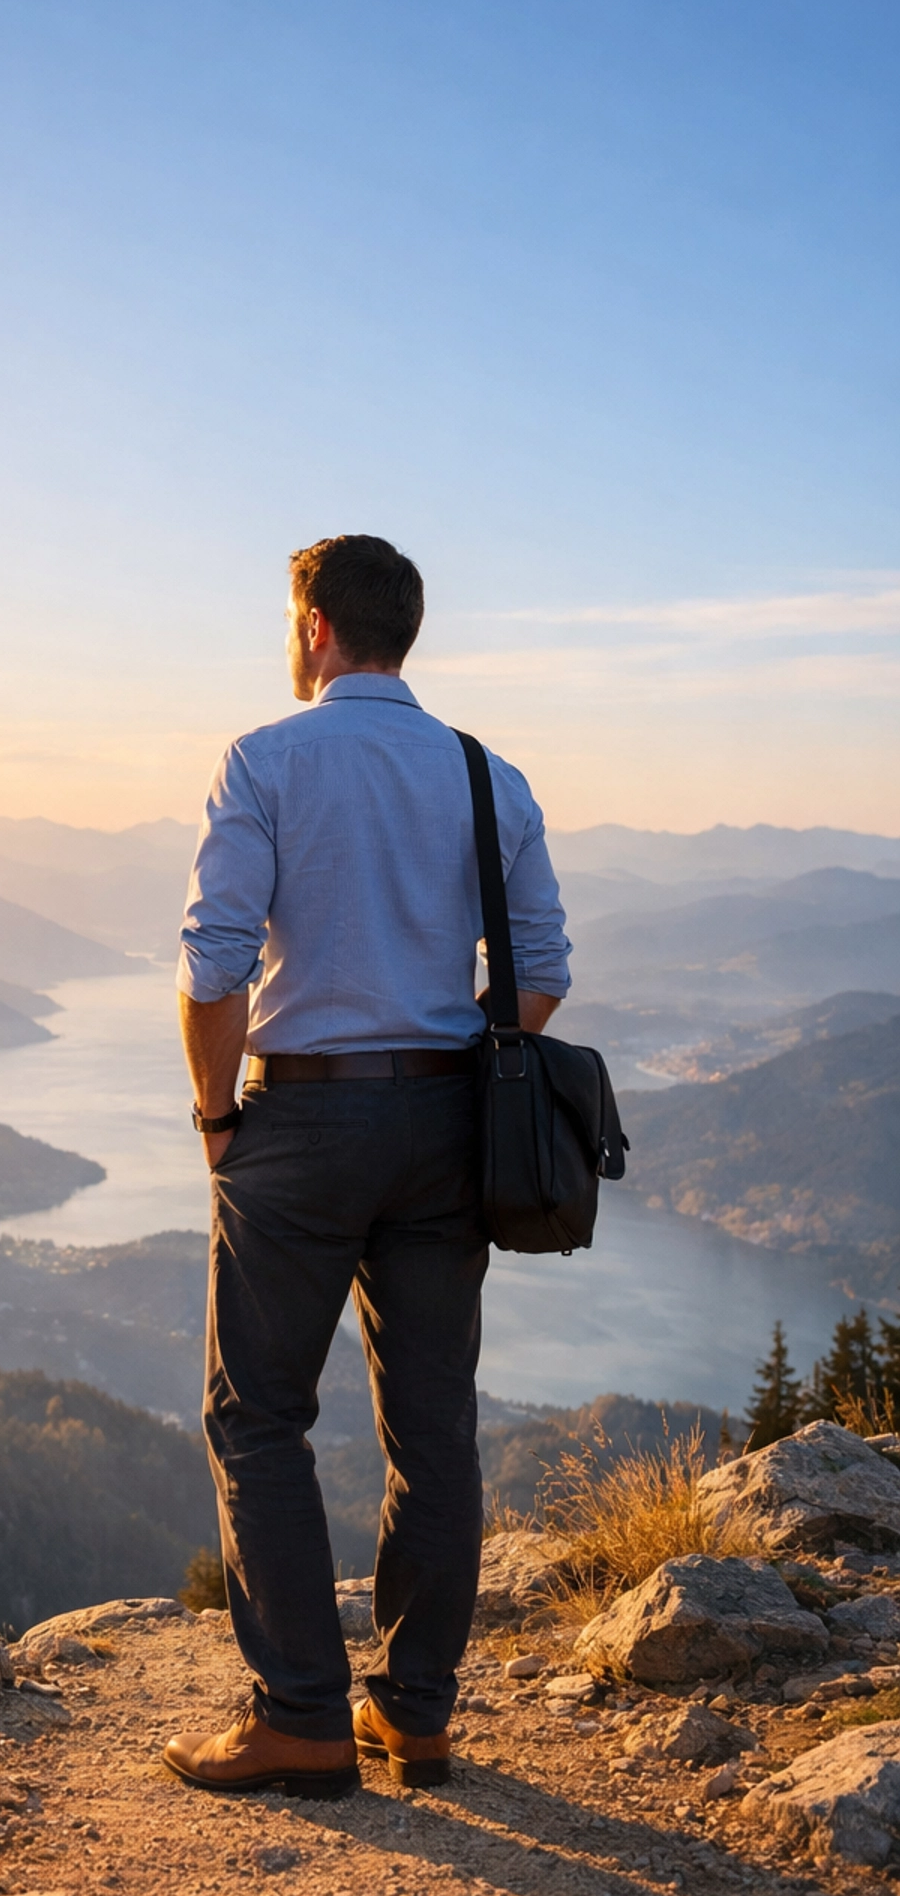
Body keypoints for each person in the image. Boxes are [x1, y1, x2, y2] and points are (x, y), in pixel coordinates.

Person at [166, 534, 571, 1799]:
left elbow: (216, 962)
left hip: (304, 1123)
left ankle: (299, 1716)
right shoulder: (484, 775)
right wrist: (466, 1063)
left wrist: (216, 1116)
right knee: (433, 1427)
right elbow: (543, 971)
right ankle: (417, 1712)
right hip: (450, 1125)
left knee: (257, 1415)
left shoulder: (265, 759)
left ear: (316, 626)